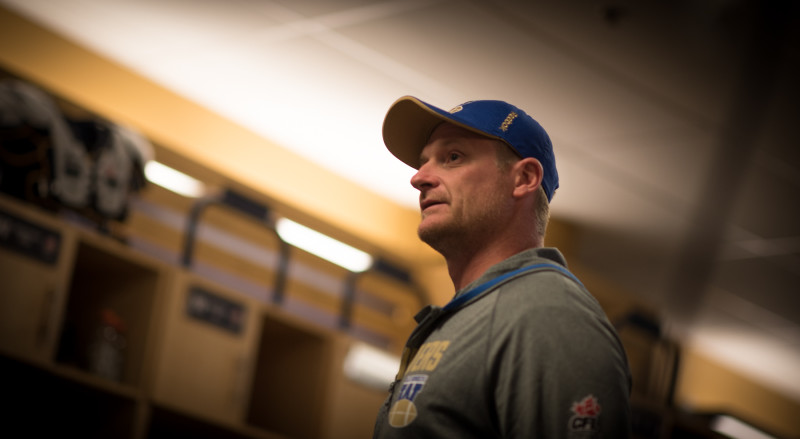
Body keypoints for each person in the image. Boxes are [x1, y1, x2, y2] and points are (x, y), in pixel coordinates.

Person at [372, 96, 632, 438]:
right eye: (424, 162)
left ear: (523, 178)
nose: (419, 178)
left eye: (452, 157)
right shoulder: (479, 313)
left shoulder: (548, 314)